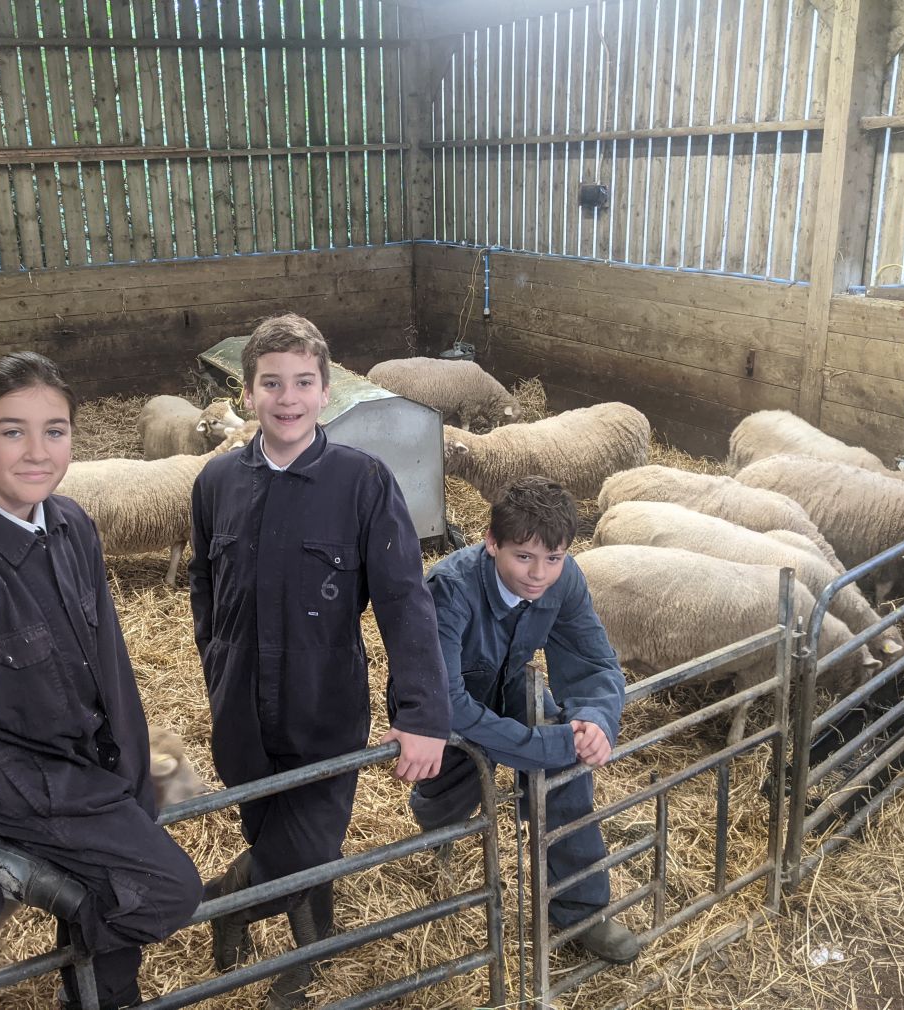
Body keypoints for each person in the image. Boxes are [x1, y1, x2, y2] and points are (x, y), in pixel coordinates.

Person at [0, 352, 202, 1009]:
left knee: (117, 896)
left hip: (83, 764)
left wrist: (133, 772)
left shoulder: (72, 524)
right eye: (11, 430)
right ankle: (19, 864)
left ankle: (101, 998)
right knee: (169, 891)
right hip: (14, 782)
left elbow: (108, 662)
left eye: (54, 430)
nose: (37, 451)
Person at [188, 314, 451, 1008]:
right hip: (240, 709)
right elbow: (205, 593)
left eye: (302, 382)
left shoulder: (362, 482)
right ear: (246, 394)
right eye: (270, 383)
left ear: (325, 389)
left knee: (303, 846)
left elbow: (404, 603)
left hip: (321, 702)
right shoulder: (215, 483)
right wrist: (217, 666)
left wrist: (422, 713)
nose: (287, 398)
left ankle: (225, 902)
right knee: (272, 830)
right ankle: (312, 949)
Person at [412, 476, 640, 965]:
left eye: (553, 559)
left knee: (564, 774)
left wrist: (595, 719)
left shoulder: (566, 578)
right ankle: (437, 825)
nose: (539, 575)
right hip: (441, 703)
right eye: (524, 557)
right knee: (447, 796)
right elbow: (448, 701)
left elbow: (594, 661)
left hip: (509, 678)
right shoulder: (449, 591)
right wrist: (550, 744)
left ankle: (583, 912)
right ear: (492, 543)